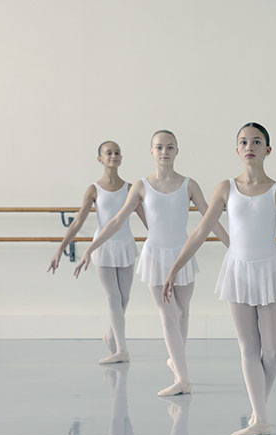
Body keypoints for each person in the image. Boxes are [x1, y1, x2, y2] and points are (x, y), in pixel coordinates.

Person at [162, 122, 276, 435]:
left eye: (257, 141)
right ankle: (260, 418)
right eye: (244, 141)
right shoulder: (225, 188)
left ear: (267, 150)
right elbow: (200, 231)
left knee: (273, 352)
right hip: (238, 270)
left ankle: (258, 408)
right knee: (249, 348)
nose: (250, 146)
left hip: (269, 270)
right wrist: (175, 267)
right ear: (237, 150)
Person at [76, 130, 228, 396]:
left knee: (182, 312)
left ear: (177, 151)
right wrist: (91, 248)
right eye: (159, 147)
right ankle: (182, 378)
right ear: (152, 152)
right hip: (155, 256)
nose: (164, 152)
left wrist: (232, 245)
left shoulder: (189, 185)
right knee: (168, 314)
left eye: (169, 147)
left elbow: (210, 218)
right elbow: (116, 220)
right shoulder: (141, 186)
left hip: (182, 254)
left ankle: (176, 359)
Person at [48, 140, 146, 364]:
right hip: (102, 246)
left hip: (124, 244)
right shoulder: (94, 189)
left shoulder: (130, 188)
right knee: (113, 297)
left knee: (124, 297)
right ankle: (121, 349)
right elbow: (77, 222)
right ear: (100, 159)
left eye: (117, 152)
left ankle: (111, 335)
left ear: (121, 157)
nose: (113, 156)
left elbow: (146, 218)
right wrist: (59, 249)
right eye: (108, 153)